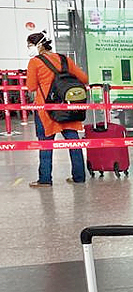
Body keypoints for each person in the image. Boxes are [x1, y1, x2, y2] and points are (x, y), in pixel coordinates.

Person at [25, 31, 88, 186]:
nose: (29, 48)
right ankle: (79, 177)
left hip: (46, 109)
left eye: (30, 45)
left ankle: (45, 179)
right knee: (73, 141)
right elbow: (84, 79)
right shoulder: (64, 59)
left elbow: (31, 87)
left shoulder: (35, 62)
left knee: (46, 144)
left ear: (39, 45)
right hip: (68, 107)